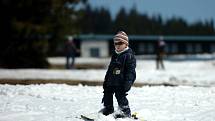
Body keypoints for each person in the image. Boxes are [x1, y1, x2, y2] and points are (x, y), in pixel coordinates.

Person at [100, 31, 136, 118]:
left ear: (126, 44)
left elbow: (131, 71)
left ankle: (125, 111)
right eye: (116, 43)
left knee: (120, 96)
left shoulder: (129, 55)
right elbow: (110, 69)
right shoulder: (115, 55)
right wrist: (106, 80)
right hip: (112, 81)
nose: (118, 45)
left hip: (121, 82)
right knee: (107, 93)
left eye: (120, 43)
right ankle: (108, 108)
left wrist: (128, 81)